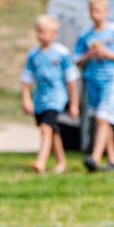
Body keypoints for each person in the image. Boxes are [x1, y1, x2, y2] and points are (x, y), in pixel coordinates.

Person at [74, 0, 114, 173]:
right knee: (103, 119)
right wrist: (89, 55)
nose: (95, 15)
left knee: (102, 117)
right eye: (92, 11)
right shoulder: (86, 34)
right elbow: (76, 59)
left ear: (106, 12)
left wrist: (108, 54)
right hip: (93, 79)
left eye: (98, 11)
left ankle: (95, 157)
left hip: (111, 78)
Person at [19, 14, 79, 175]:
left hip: (56, 98)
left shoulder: (62, 54)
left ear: (54, 34)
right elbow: (26, 79)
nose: (41, 35)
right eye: (39, 31)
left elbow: (71, 80)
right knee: (52, 130)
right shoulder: (33, 55)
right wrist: (26, 98)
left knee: (46, 128)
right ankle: (61, 162)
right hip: (41, 99)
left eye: (45, 32)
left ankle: (41, 162)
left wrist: (74, 103)